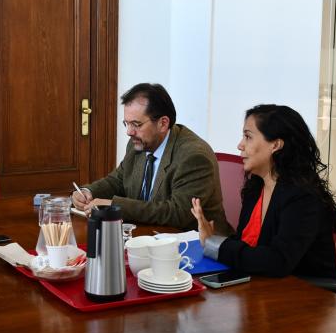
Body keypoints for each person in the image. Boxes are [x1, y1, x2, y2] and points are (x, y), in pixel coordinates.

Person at [191, 104, 336, 278]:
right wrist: (213, 238)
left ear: (275, 145)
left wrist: (215, 243)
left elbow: (277, 261)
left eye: (248, 137)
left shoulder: (302, 197)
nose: (240, 145)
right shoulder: (256, 185)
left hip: (307, 296)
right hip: (262, 288)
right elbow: (248, 245)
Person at [72, 83, 232, 233]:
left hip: (196, 245)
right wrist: (88, 192)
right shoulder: (138, 143)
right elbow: (118, 180)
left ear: (163, 123)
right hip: (147, 235)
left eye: (136, 124)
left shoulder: (193, 156)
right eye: (126, 123)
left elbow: (179, 213)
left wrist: (116, 206)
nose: (129, 132)